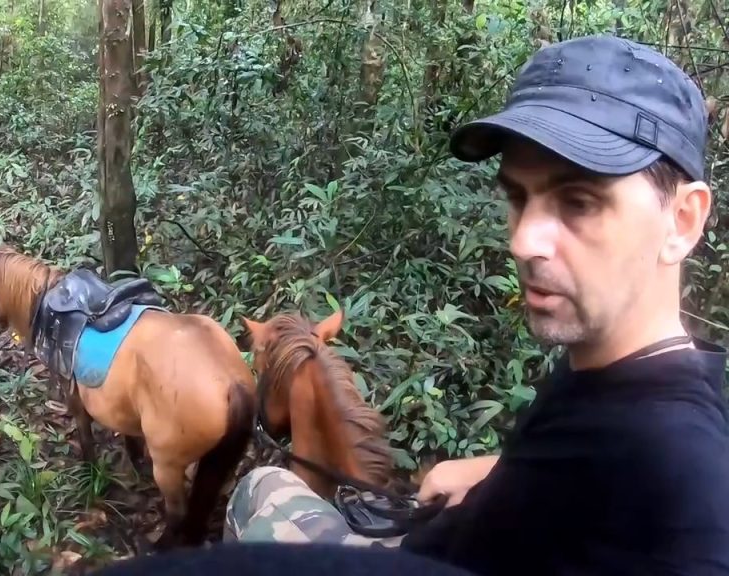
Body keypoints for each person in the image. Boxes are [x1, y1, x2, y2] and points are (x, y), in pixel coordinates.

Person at [220, 34, 729, 576]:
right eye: (517, 197)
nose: (523, 240)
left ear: (683, 221)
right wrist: (496, 472)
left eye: (579, 202)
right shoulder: (621, 374)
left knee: (259, 485)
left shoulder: (683, 480)